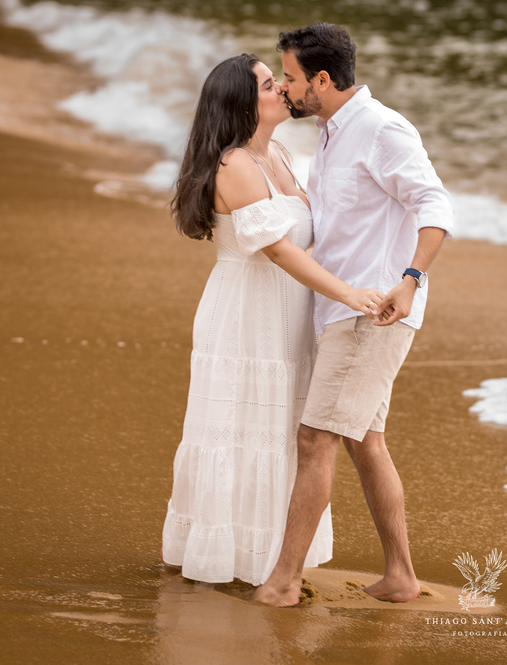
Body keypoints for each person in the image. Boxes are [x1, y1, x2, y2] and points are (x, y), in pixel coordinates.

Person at [161, 53, 386, 587]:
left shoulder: (279, 153)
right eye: (269, 84)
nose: (283, 89)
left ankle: (266, 557)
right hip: (246, 314)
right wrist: (350, 295)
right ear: (244, 101)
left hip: (290, 313)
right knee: (241, 430)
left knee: (282, 432)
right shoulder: (234, 164)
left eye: (279, 80)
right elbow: (280, 252)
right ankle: (226, 556)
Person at [252, 23, 453, 606]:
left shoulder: (382, 128)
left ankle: (283, 582)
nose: (284, 87)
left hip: (375, 310)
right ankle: (401, 577)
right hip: (342, 310)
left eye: (289, 77)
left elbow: (433, 203)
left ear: (321, 78)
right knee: (366, 439)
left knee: (316, 439)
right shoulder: (330, 130)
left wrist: (411, 282)